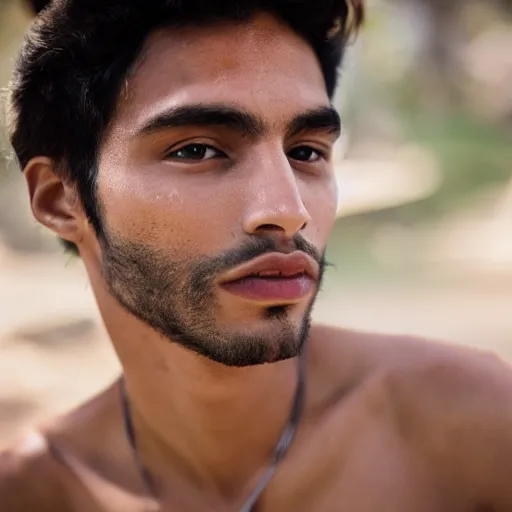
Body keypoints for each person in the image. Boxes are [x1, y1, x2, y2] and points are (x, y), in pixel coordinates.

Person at [1, 0, 512, 510]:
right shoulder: (32, 491)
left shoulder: (473, 426)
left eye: (306, 152)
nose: (287, 211)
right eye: (197, 150)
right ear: (60, 199)